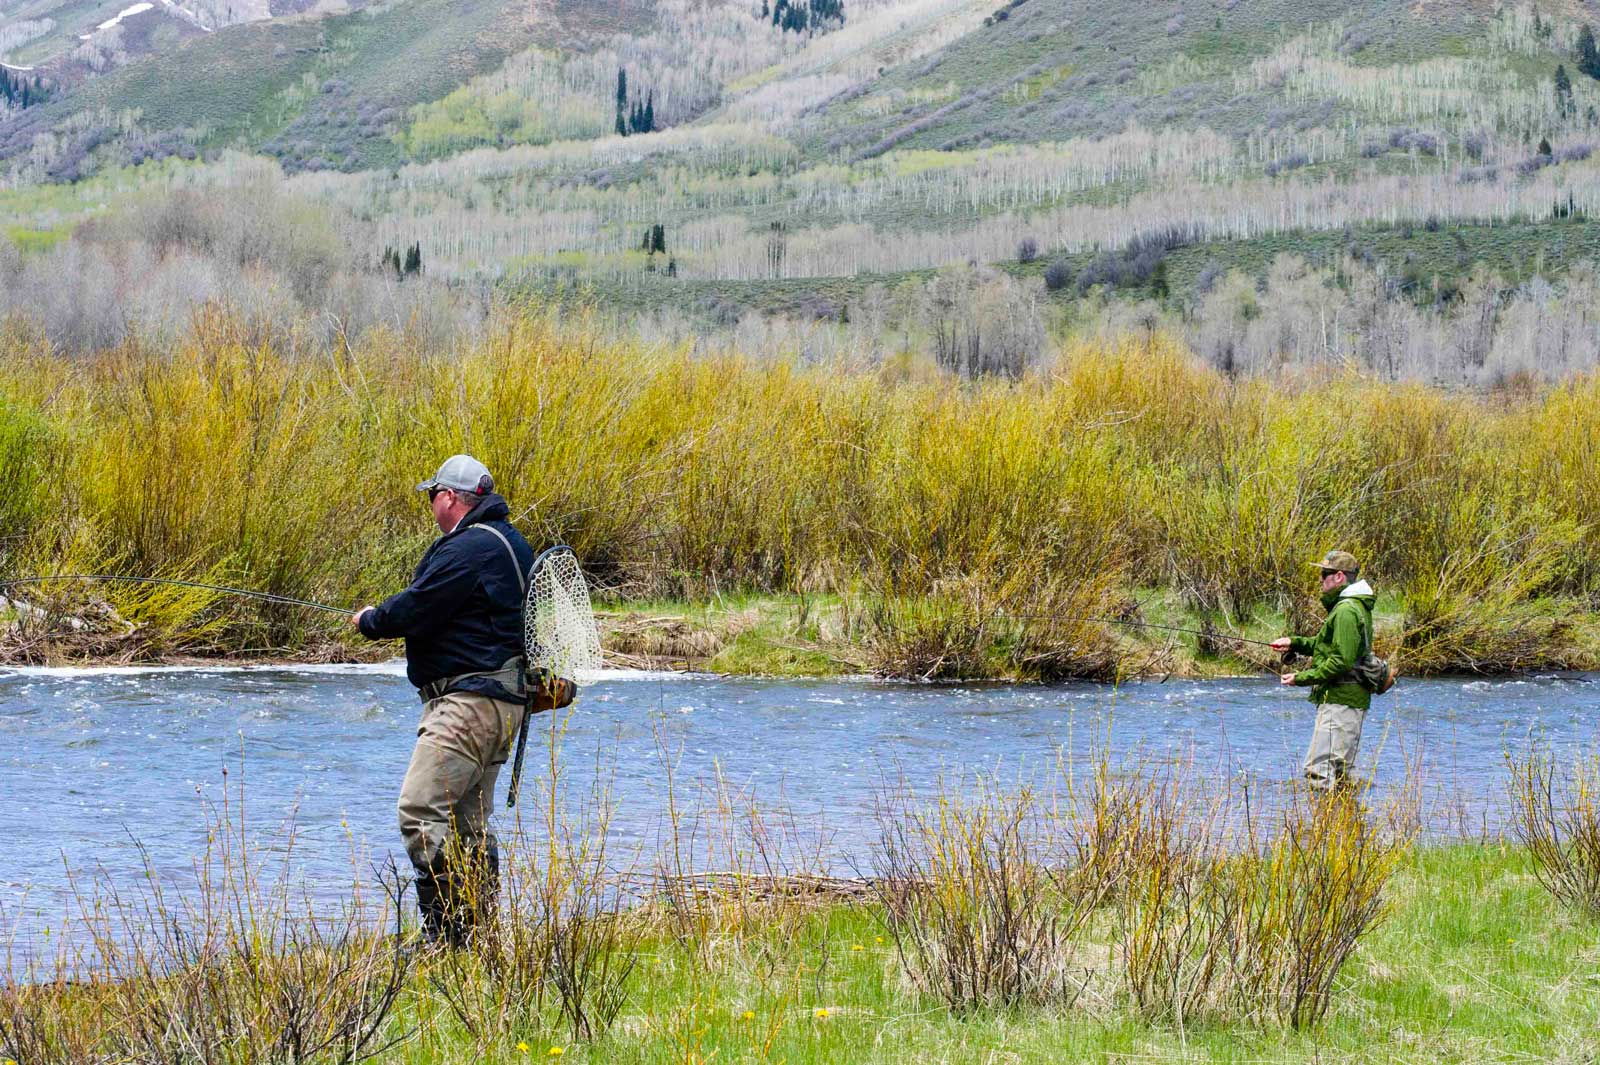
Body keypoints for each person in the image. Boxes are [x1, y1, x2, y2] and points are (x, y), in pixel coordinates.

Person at [350, 454, 574, 945]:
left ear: (450, 497)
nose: (431, 503)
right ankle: (478, 938)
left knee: (420, 809)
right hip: (503, 704)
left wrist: (371, 619)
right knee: (468, 823)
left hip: (468, 704)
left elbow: (416, 606)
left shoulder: (468, 548)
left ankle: (445, 939)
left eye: (433, 494)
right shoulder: (511, 543)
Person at [1270, 549, 1377, 792]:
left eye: (1324, 573)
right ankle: (1347, 826)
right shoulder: (1348, 607)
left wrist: (1302, 678)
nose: (1320, 579)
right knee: (1342, 775)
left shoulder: (1347, 611)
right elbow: (1325, 645)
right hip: (1346, 699)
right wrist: (1294, 642)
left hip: (1341, 700)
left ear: (1339, 576)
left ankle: (1322, 829)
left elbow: (1341, 661)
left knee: (1318, 771)